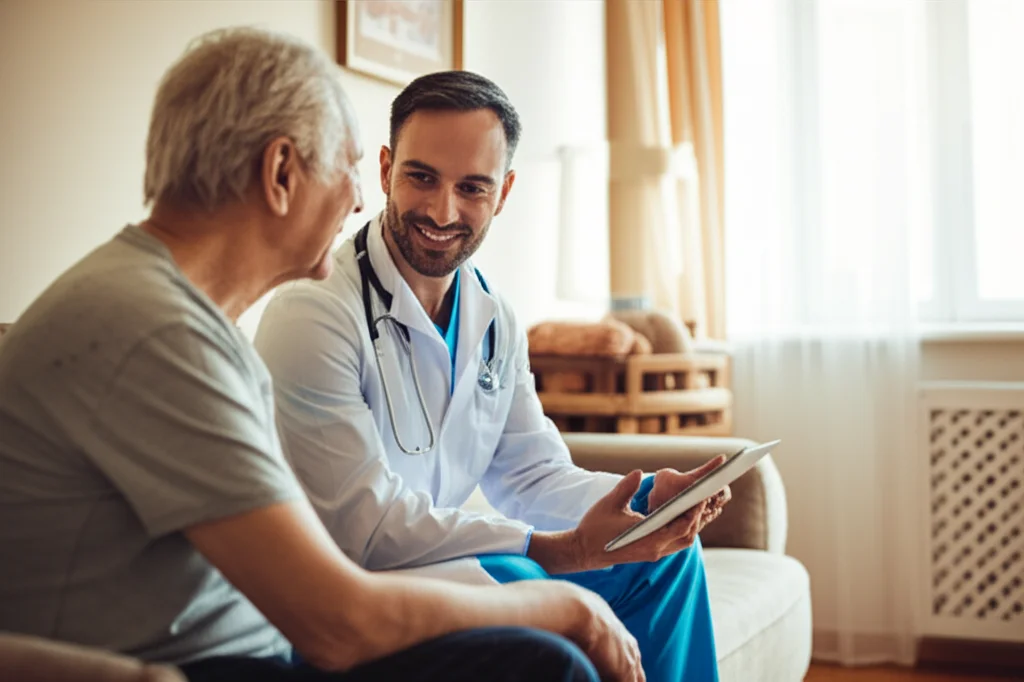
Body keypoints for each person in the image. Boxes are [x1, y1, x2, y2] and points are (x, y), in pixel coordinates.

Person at [0, 28, 645, 682]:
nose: (360, 201)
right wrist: (562, 604)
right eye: (347, 165)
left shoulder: (177, 318)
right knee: (544, 660)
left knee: (536, 649)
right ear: (282, 173)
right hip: (208, 665)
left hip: (253, 646)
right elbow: (338, 621)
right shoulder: (157, 331)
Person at [254, 70, 730, 682]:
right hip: (352, 595)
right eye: (421, 176)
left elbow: (532, 474)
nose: (441, 209)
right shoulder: (313, 310)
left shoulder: (494, 317)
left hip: (441, 568)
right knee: (524, 580)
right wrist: (547, 550)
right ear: (384, 170)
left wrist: (640, 502)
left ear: (502, 193)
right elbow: (360, 530)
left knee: (665, 558)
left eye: (472, 187)